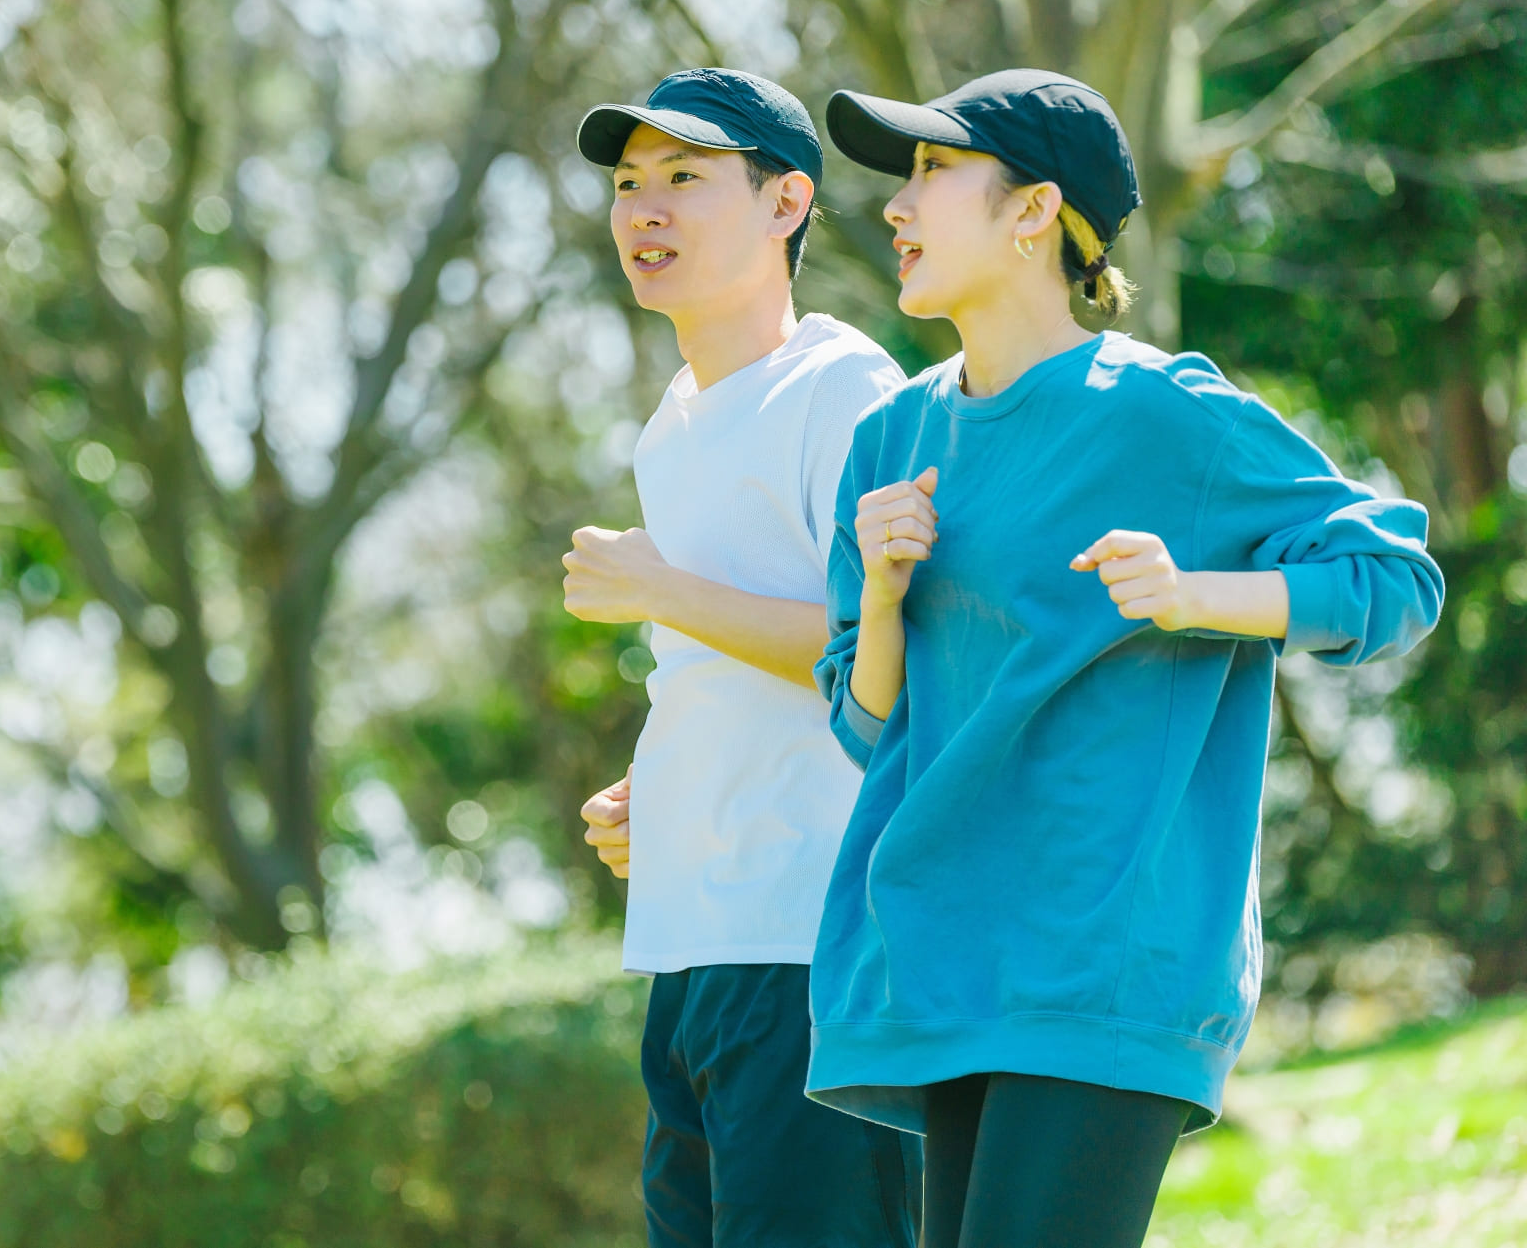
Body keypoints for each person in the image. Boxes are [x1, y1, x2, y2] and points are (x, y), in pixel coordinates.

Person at [801, 68, 1446, 1248]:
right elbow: (864, 721)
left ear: (1033, 212)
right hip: (941, 955)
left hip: (1104, 959)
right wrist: (883, 594)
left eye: (934, 171)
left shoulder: (1159, 412)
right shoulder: (888, 441)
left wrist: (1195, 593)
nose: (897, 204)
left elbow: (1397, 579)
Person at [563, 68, 921, 1247]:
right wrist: (655, 791)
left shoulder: (848, 388)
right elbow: (717, 660)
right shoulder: (667, 423)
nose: (642, 210)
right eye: (627, 183)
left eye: (682, 179)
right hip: (688, 946)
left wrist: (662, 587)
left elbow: (882, 650)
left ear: (786, 206)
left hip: (813, 947)